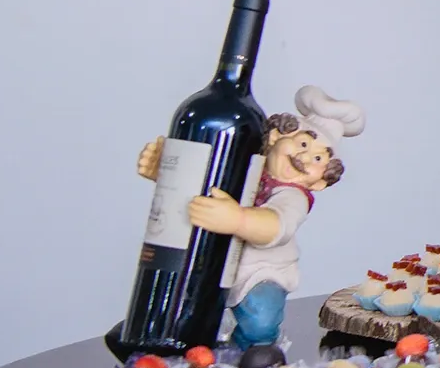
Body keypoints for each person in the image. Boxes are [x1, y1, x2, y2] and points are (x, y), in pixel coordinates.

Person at [133, 85, 365, 348]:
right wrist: (166, 173)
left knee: (260, 319)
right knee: (180, 311)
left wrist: (238, 220)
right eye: (302, 143)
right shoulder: (245, 166)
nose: (303, 157)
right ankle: (166, 346)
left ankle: (251, 356)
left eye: (318, 158)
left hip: (259, 270)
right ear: (276, 136)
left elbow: (278, 225)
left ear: (318, 182)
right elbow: (201, 190)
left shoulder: (293, 197)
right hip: (210, 261)